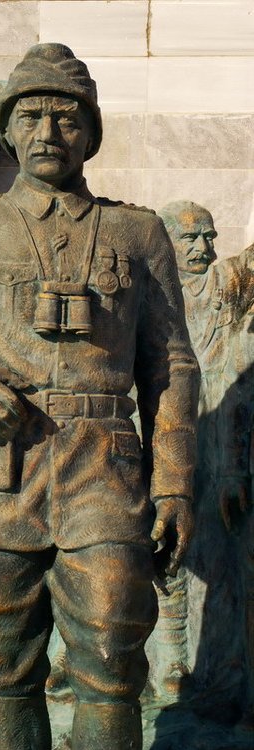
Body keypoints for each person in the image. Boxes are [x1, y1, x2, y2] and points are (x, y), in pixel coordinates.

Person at [0, 44, 199, 750]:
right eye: (30, 118)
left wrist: (173, 484)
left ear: (90, 133)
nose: (47, 135)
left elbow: (169, 362)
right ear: (7, 131)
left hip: (103, 473)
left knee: (112, 662)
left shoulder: (136, 232)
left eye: (65, 119)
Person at [155, 201, 254, 716]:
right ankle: (170, 658)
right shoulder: (149, 294)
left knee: (214, 553)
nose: (203, 248)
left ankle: (215, 665)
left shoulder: (227, 287)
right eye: (189, 239)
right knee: (166, 542)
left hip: (219, 432)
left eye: (209, 237)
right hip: (162, 431)